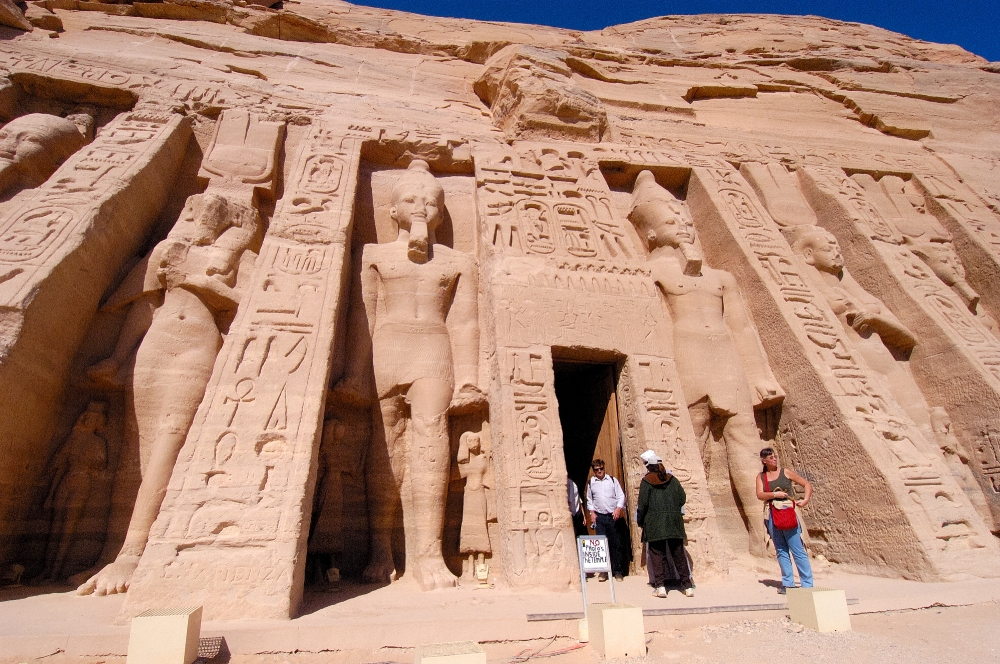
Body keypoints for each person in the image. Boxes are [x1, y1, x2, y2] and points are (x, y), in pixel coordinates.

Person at [628, 171, 784, 557]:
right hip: (685, 358)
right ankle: (694, 533)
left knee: (747, 442)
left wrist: (759, 374)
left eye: (685, 220)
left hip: (726, 360)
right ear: (649, 236)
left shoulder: (721, 278)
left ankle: (761, 532)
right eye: (670, 221)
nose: (682, 226)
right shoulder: (651, 272)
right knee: (688, 443)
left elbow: (741, 327)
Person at [755, 447, 813, 594]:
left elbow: (806, 484)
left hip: (788, 512)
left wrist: (805, 500)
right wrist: (774, 494)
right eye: (771, 458)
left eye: (775, 457)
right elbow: (760, 495)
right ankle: (788, 583)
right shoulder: (761, 477)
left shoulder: (785, 472)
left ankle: (807, 583)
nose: (774, 459)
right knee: (781, 550)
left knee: (797, 549)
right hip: (772, 514)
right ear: (764, 461)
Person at [636, 450, 693, 598]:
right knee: (678, 553)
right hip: (674, 522)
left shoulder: (646, 481)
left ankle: (660, 586)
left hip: (655, 522)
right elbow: (682, 497)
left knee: (657, 554)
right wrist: (672, 510)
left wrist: (641, 520)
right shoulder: (672, 479)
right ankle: (687, 586)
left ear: (648, 466)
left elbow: (642, 505)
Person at [586, 458, 626, 581]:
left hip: (612, 515)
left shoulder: (612, 480)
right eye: (596, 469)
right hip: (600, 517)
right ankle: (603, 571)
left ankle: (617, 571)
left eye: (601, 469)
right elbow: (589, 500)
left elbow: (621, 496)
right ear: (593, 470)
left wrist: (618, 509)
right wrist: (592, 513)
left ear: (604, 468)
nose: (599, 471)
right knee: (601, 545)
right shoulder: (591, 483)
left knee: (616, 543)